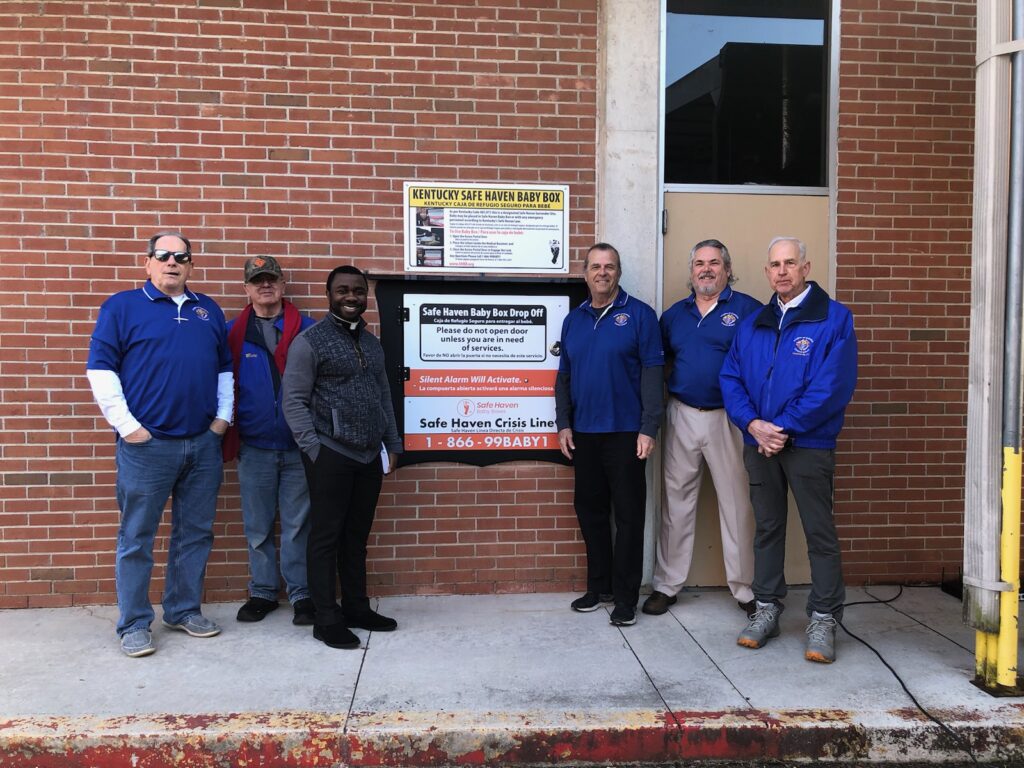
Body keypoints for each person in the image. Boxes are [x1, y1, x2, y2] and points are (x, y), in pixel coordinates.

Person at [86, 230, 233, 658]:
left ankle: (183, 610)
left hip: (202, 444)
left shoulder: (208, 310)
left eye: (181, 257)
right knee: (137, 537)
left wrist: (223, 420)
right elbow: (100, 371)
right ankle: (133, 623)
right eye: (164, 255)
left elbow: (224, 369)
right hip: (146, 448)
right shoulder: (122, 307)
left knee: (195, 533)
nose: (173, 262)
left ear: (191, 265)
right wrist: (129, 427)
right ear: (148, 262)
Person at [720, 236, 857, 664]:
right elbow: (731, 379)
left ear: (806, 267)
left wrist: (782, 427)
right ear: (766, 272)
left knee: (819, 533)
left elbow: (832, 387)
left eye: (790, 263)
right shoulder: (753, 324)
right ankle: (766, 610)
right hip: (760, 444)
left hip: (808, 444)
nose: (782, 271)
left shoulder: (834, 319)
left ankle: (823, 617)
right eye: (774, 264)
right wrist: (754, 424)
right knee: (767, 529)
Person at [282, 265, 402, 650]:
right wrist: (314, 450)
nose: (351, 297)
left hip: (368, 455)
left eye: (357, 291)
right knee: (325, 538)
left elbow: (383, 395)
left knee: (356, 538)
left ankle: (356, 607)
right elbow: (294, 401)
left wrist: (392, 443)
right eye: (342, 290)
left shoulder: (370, 343)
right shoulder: (310, 342)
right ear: (329, 294)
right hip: (330, 454)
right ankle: (326, 617)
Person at [644, 239, 762, 618]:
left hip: (729, 418)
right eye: (699, 263)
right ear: (691, 270)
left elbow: (763, 367)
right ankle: (667, 585)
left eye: (714, 263)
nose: (706, 269)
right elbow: (658, 366)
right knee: (675, 503)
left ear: (728, 269)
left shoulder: (748, 310)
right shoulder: (674, 315)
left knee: (737, 504)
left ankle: (745, 590)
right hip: (681, 414)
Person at [555, 242, 664, 627]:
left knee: (630, 517)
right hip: (584, 433)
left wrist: (649, 427)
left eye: (610, 267)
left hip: (626, 434)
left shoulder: (640, 316)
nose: (603, 272)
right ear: (585, 273)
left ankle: (625, 598)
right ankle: (598, 586)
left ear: (619, 273)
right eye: (596, 266)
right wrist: (563, 422)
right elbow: (564, 376)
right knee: (590, 512)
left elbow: (653, 374)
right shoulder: (574, 320)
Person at [224, 256, 316, 626]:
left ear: (282, 286)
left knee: (298, 525)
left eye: (271, 280)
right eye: (257, 281)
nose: (265, 286)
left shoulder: (309, 331)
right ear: (247, 289)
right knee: (258, 526)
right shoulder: (232, 334)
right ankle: (262, 591)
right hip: (255, 447)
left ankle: (301, 593)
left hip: (298, 446)